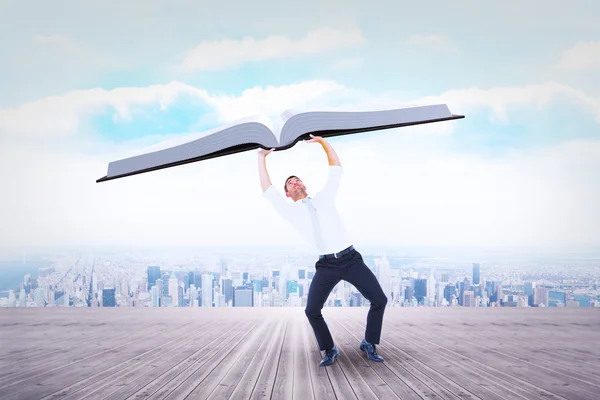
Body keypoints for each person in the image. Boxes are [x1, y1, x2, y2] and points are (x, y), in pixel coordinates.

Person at [257, 134, 388, 367]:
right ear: (287, 193)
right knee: (312, 310)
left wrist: (322, 142)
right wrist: (261, 157)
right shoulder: (290, 211)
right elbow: (267, 190)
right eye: (290, 183)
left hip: (350, 259)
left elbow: (336, 168)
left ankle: (369, 342)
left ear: (304, 185)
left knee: (379, 299)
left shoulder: (324, 198)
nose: (295, 182)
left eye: (297, 180)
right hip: (326, 265)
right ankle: (329, 349)